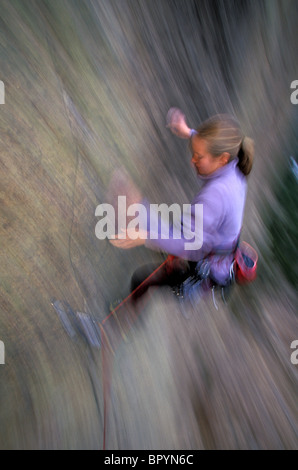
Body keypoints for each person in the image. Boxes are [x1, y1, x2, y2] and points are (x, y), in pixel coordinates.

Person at [110, 109, 254, 305]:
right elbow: (211, 148)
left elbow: (190, 246)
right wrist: (189, 132)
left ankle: (117, 320)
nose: (192, 160)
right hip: (211, 244)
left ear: (222, 159)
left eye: (198, 156)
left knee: (143, 280)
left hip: (205, 262)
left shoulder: (216, 196)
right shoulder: (234, 166)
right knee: (158, 235)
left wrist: (144, 235)